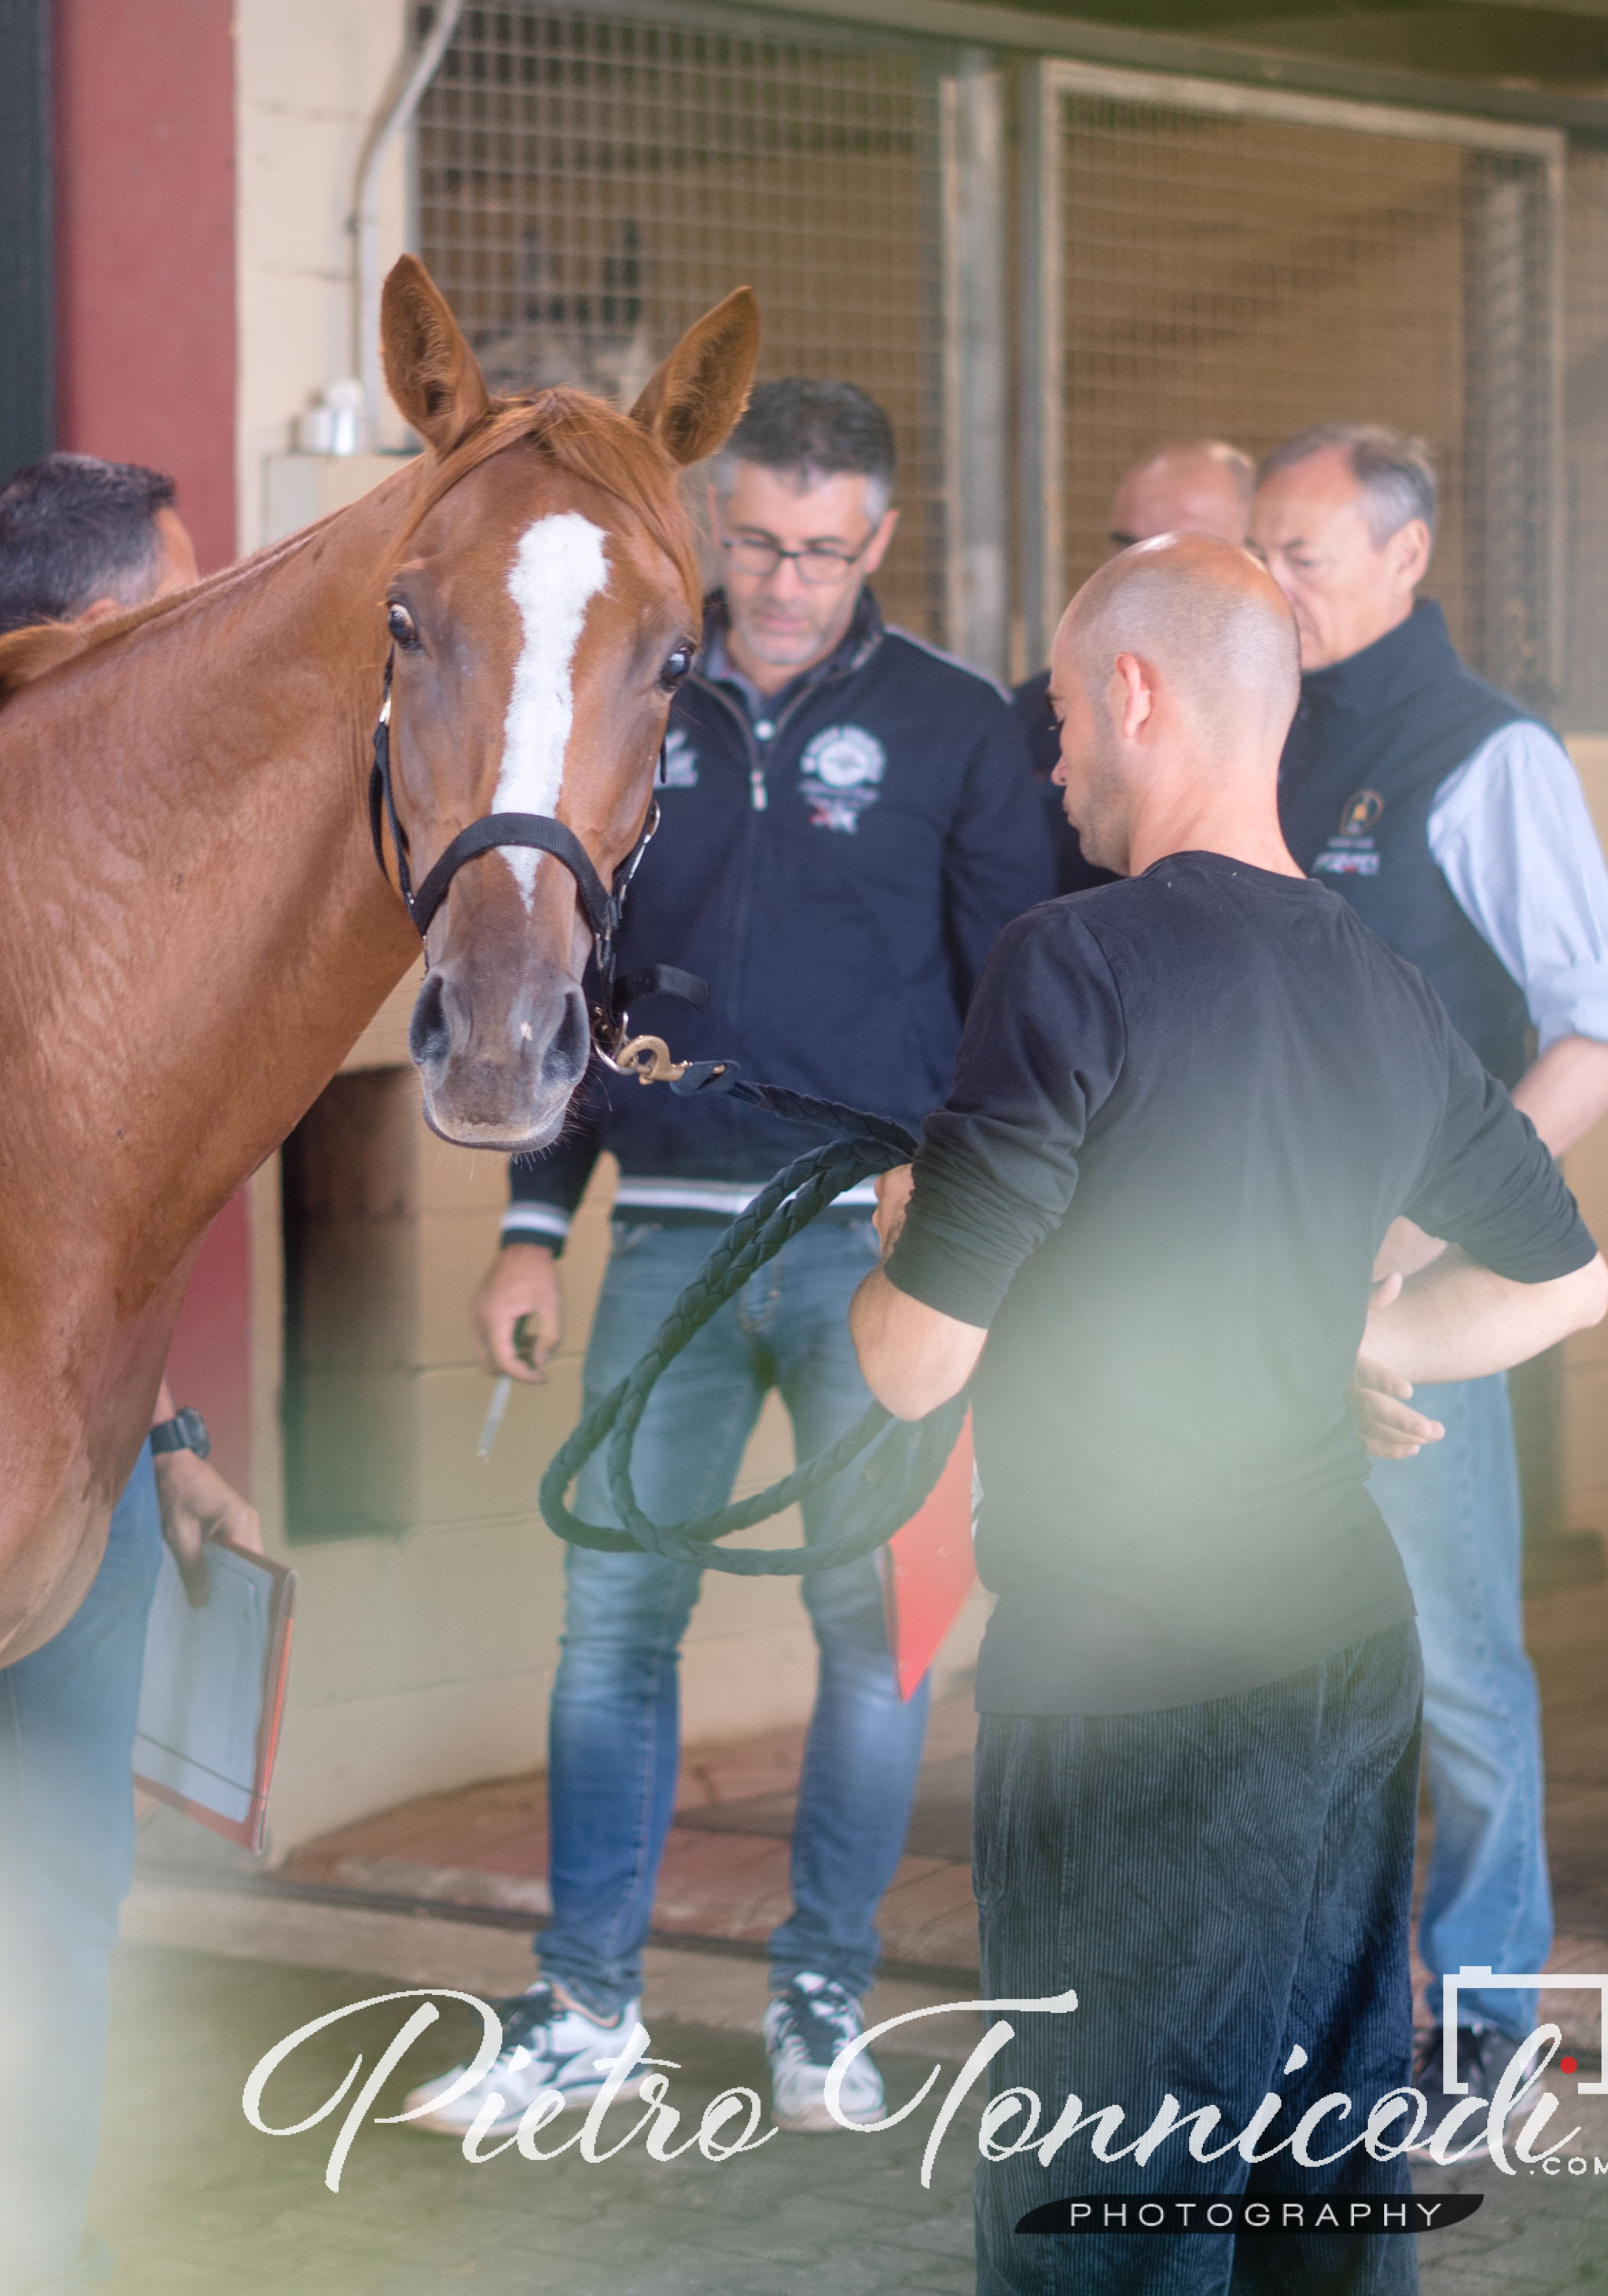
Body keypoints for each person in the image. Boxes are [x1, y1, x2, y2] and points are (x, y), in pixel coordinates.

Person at [846, 535, 1608, 2292]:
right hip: (1341, 1662)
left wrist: (898, 1248)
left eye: (1055, 716)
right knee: (1323, 2202)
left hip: (1130, 1680)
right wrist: (1360, 1344)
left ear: (1137, 691)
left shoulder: (1066, 964)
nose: (1051, 766)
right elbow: (1568, 1283)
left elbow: (910, 1364)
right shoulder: (1375, 981)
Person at [411, 377, 1060, 2134]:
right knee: (614, 1619)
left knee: (880, 1635)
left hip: (880, 1254)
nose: (780, 582)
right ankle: (581, 2011)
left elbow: (1024, 996)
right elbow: (567, 975)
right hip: (670, 1243)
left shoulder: (955, 730)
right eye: (755, 542)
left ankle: (822, 2007)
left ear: (881, 542)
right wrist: (532, 1224)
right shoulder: (644, 697)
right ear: (711, 525)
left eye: (822, 552)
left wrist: (978, 1216)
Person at [0, 451, 267, 2294]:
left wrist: (168, 1427)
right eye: (183, 596)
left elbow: (100, 1208)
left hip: (86, 1470)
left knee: (56, 1892)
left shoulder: (133, 827)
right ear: (109, 625)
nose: (203, 620)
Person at [1246, 424, 1608, 2088]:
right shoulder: (1258, 723)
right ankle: (1303, 2000)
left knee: (1451, 1660)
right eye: (1257, 551)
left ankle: (1485, 2001)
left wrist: (1418, 1229)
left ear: (1406, 559)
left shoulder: (1487, 755)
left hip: (1404, 1302)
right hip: (1244, 1294)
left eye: (1305, 556)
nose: (1270, 584)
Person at [1010, 436, 1255, 894]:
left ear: (1256, 557)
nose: (1136, 576)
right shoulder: (1030, 716)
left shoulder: (1295, 724)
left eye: (1174, 554)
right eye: (1126, 546)